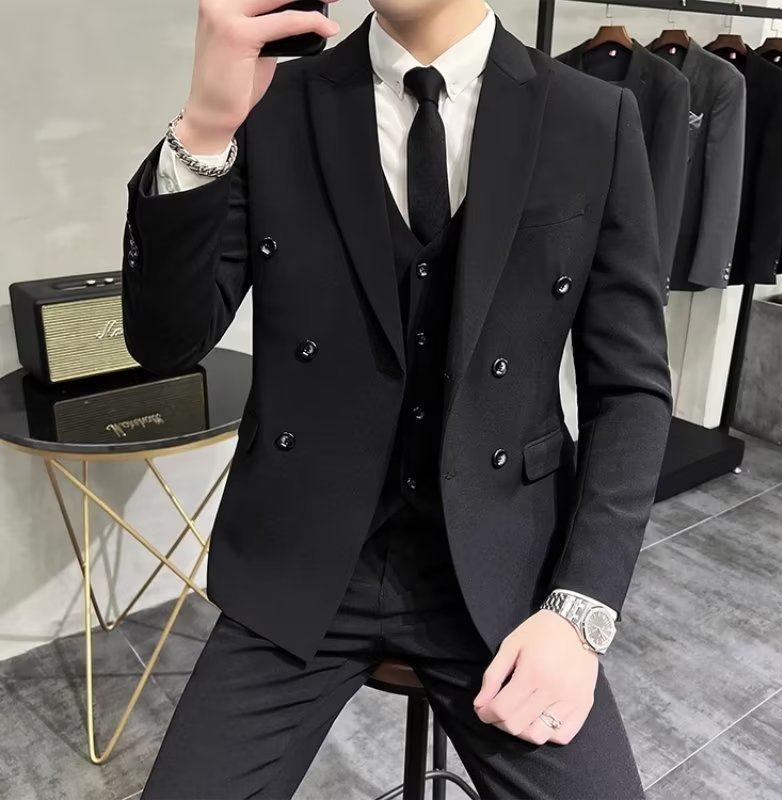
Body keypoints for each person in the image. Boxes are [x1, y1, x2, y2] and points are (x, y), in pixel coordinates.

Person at [122, 0, 673, 797]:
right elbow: (166, 343)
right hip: (303, 562)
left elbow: (630, 390)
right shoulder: (275, 102)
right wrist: (206, 125)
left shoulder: (590, 117)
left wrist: (581, 610)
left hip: (505, 574)